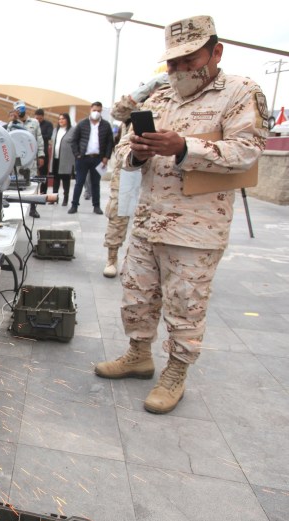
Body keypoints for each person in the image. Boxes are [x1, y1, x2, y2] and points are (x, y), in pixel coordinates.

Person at [94, 15, 267, 414]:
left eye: (187, 60)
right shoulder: (160, 97)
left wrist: (183, 147)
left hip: (196, 229)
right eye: (171, 62)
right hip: (147, 220)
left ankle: (176, 372)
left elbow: (246, 151)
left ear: (215, 52)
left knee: (185, 305)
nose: (177, 70)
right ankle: (138, 354)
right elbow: (123, 152)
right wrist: (137, 152)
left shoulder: (240, 93)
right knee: (136, 295)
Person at [102, 73, 170, 278]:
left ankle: (144, 260)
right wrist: (147, 88)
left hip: (159, 168)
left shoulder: (176, 105)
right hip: (128, 167)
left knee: (154, 216)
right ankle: (111, 257)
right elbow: (117, 111)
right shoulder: (140, 105)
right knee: (118, 214)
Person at [67, 102, 113, 215]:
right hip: (82, 158)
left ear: (101, 111)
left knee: (95, 183)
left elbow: (110, 143)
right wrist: (77, 154)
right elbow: (73, 140)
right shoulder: (82, 123)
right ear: (90, 110)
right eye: (94, 110)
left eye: (98, 110)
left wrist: (106, 157)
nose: (96, 112)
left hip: (98, 159)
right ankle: (74, 205)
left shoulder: (106, 125)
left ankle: (96, 206)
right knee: (79, 182)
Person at [8, 101, 45, 217]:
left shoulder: (34, 123)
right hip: (18, 158)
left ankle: (33, 208)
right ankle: (18, 207)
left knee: (32, 182)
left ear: (25, 109)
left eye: (21, 109)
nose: (19, 111)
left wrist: (41, 155)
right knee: (17, 182)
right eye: (17, 109)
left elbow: (39, 139)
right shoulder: (12, 124)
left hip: (31, 158)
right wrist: (13, 121)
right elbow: (7, 138)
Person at [49, 113, 74, 206]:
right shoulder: (56, 130)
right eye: (59, 119)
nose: (61, 121)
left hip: (66, 159)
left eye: (63, 119)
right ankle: (54, 198)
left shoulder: (72, 130)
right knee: (56, 179)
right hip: (55, 158)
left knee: (65, 180)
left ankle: (65, 199)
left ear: (67, 120)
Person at [34, 108, 53, 187]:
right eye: (37, 118)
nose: (38, 120)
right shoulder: (33, 124)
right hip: (33, 151)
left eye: (40, 118)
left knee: (43, 173)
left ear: (43, 117)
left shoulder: (48, 124)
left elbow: (49, 136)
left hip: (43, 152)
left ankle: (43, 191)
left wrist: (38, 136)